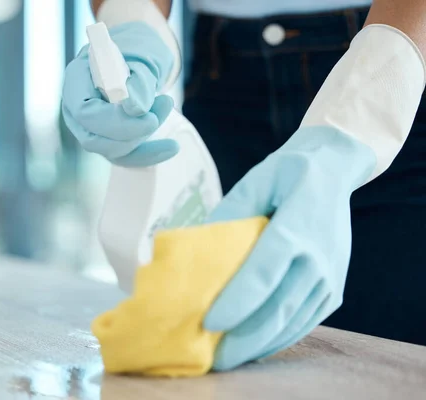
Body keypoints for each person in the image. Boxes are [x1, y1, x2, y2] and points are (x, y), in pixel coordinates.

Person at [62, 0, 426, 371]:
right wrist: (131, 18)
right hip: (226, 82)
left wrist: (369, 108)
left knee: (395, 364)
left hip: (401, 62)